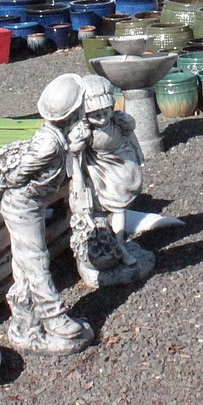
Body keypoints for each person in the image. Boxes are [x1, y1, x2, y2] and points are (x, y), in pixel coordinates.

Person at [0, 73, 94, 354]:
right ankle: (53, 317)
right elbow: (22, 170)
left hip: (30, 203)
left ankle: (24, 316)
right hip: (22, 205)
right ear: (73, 113)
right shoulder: (48, 144)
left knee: (25, 262)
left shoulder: (57, 136)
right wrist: (8, 185)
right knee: (36, 259)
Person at [75, 75, 143, 266]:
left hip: (124, 166)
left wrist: (138, 152)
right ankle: (118, 246)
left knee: (120, 206)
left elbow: (131, 135)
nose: (103, 118)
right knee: (112, 209)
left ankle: (117, 243)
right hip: (101, 171)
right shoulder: (86, 132)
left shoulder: (118, 121)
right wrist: (80, 179)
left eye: (106, 112)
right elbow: (75, 156)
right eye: (96, 115)